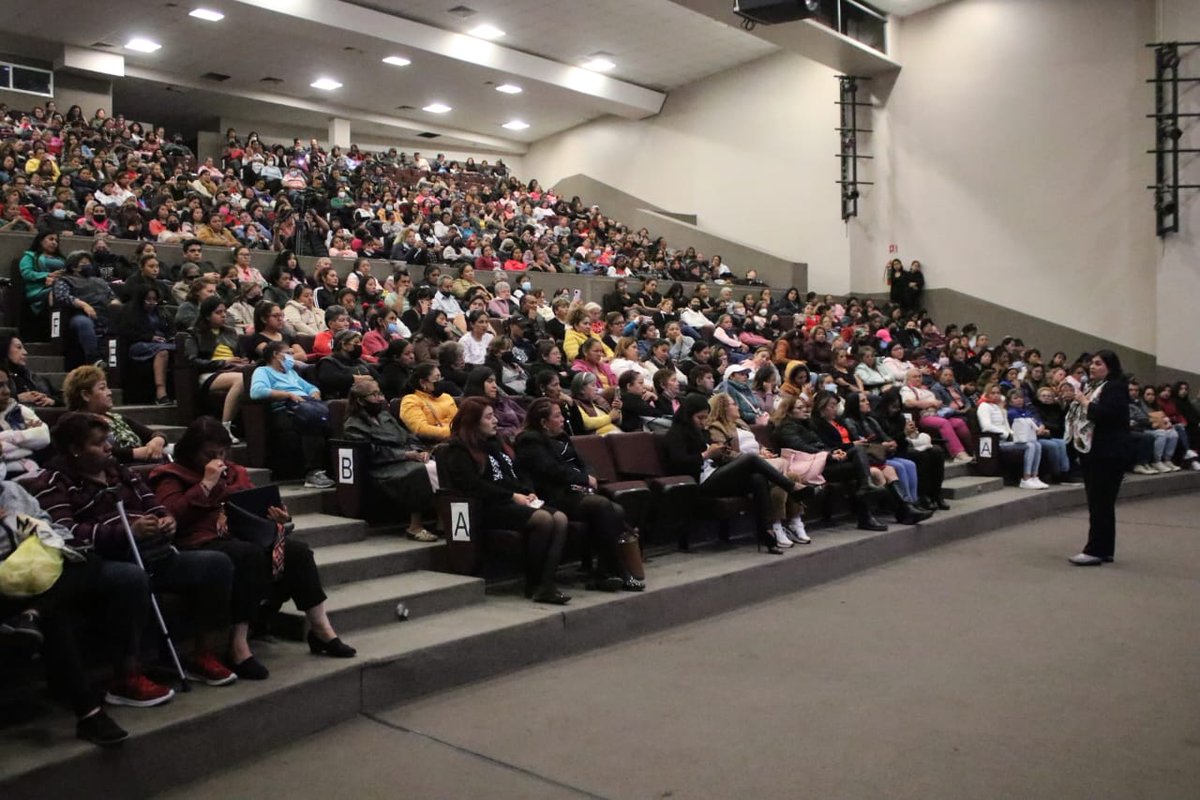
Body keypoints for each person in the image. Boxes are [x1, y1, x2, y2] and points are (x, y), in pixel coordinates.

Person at [27, 413, 238, 690]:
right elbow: (65, 534)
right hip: (101, 561)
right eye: (98, 443)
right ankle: (127, 675)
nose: (107, 447)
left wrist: (166, 519)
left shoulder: (118, 470)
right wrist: (127, 531)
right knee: (131, 578)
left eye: (108, 440)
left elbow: (152, 503)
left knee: (217, 564)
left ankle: (203, 653)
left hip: (151, 552)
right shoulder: (53, 481)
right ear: (75, 449)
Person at [150, 417, 353, 677]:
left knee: (298, 552)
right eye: (209, 454)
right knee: (248, 555)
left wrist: (276, 516)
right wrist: (206, 485)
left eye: (222, 453)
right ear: (191, 452)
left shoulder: (236, 472)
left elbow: (252, 506)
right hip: (198, 543)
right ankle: (238, 645)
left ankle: (321, 631)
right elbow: (171, 515)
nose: (218, 459)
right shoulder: (172, 475)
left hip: (241, 536)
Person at [439, 397, 570, 604]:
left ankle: (546, 583)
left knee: (560, 518)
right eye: (489, 417)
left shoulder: (496, 442)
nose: (495, 421)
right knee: (544, 519)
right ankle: (535, 583)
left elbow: (516, 472)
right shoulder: (458, 449)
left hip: (510, 500)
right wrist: (511, 496)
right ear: (473, 421)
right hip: (487, 506)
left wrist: (527, 491)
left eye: (494, 416)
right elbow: (473, 486)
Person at [515, 397, 645, 592]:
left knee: (616, 509)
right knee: (602, 506)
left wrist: (589, 474)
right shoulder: (530, 441)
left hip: (573, 491)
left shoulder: (563, 437)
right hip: (552, 494)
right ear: (543, 422)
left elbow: (581, 461)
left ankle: (603, 573)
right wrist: (582, 479)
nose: (562, 420)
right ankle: (619, 572)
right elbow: (551, 470)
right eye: (557, 416)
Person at [663, 394, 804, 554]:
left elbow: (714, 457)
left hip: (715, 473)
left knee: (757, 478)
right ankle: (790, 486)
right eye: (699, 418)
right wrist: (706, 455)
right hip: (700, 481)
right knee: (750, 459)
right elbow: (678, 463)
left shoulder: (700, 433)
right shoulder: (675, 434)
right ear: (688, 415)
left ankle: (766, 532)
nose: (703, 422)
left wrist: (719, 452)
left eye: (705, 417)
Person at [339, 380, 437, 541]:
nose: (380, 399)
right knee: (419, 471)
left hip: (403, 458)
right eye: (374, 395)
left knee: (437, 465)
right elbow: (371, 453)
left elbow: (407, 436)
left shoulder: (385, 416)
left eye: (380, 393)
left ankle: (441, 521)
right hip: (382, 466)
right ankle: (415, 526)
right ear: (360, 400)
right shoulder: (353, 425)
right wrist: (405, 455)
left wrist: (420, 451)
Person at [1065, 351, 1131, 565]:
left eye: (1098, 363)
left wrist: (1085, 402)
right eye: (1091, 363)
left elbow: (1108, 414)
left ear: (1109, 366)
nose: (1092, 367)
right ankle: (1104, 549)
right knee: (1101, 503)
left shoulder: (1114, 387)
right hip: (1096, 451)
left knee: (1100, 502)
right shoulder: (1097, 386)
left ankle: (1094, 550)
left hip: (1107, 453)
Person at [249, 341, 336, 488]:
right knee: (312, 420)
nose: (291, 356)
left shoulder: (291, 373)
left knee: (333, 414)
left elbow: (310, 387)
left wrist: (314, 393)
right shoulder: (263, 371)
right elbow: (256, 392)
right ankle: (312, 473)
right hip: (284, 410)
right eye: (288, 353)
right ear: (276, 355)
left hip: (306, 404)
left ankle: (334, 468)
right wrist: (287, 394)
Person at [61, 365, 167, 463]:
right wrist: (135, 453)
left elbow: (152, 434)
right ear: (86, 395)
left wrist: (158, 440)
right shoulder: (76, 422)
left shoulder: (116, 417)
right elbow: (95, 451)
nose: (109, 392)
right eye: (102, 388)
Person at [182, 296, 247, 439]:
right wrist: (223, 362)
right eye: (218, 312)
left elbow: (241, 354)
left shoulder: (231, 332)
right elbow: (192, 361)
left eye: (224, 312)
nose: (224, 315)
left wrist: (243, 361)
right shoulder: (194, 333)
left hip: (233, 369)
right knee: (242, 380)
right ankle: (225, 429)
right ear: (207, 315)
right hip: (209, 374)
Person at [977, 382, 1047, 490]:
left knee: (1036, 444)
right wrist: (1007, 435)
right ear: (987, 394)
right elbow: (986, 426)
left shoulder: (999, 408)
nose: (996, 395)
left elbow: (1007, 426)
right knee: (1030, 446)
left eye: (998, 393)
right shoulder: (984, 406)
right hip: (997, 442)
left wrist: (1015, 435)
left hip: (1008, 439)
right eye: (993, 393)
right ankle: (1026, 478)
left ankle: (1034, 476)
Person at [119, 285, 176, 405]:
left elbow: (170, 330)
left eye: (154, 299)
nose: (151, 303)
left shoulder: (161, 312)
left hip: (161, 343)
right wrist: (150, 337)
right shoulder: (130, 312)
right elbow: (128, 333)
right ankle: (161, 393)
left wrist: (169, 338)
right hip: (138, 346)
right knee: (163, 351)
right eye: (148, 299)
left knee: (177, 348)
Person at [462, 367, 525, 442]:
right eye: (490, 381)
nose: (495, 386)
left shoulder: (504, 401)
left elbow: (526, 418)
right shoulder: (471, 408)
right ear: (478, 383)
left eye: (495, 382)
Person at [399, 362, 458, 441]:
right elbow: (420, 429)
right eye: (436, 379)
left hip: (458, 437)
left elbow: (459, 419)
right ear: (423, 382)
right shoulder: (410, 400)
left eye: (441, 378)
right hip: (437, 443)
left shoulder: (446, 397)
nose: (440, 382)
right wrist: (453, 432)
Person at [0, 333, 61, 406]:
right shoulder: (3, 377)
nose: (25, 352)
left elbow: (63, 397)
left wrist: (51, 400)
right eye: (19, 347)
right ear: (5, 349)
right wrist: (17, 398)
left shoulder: (34, 377)